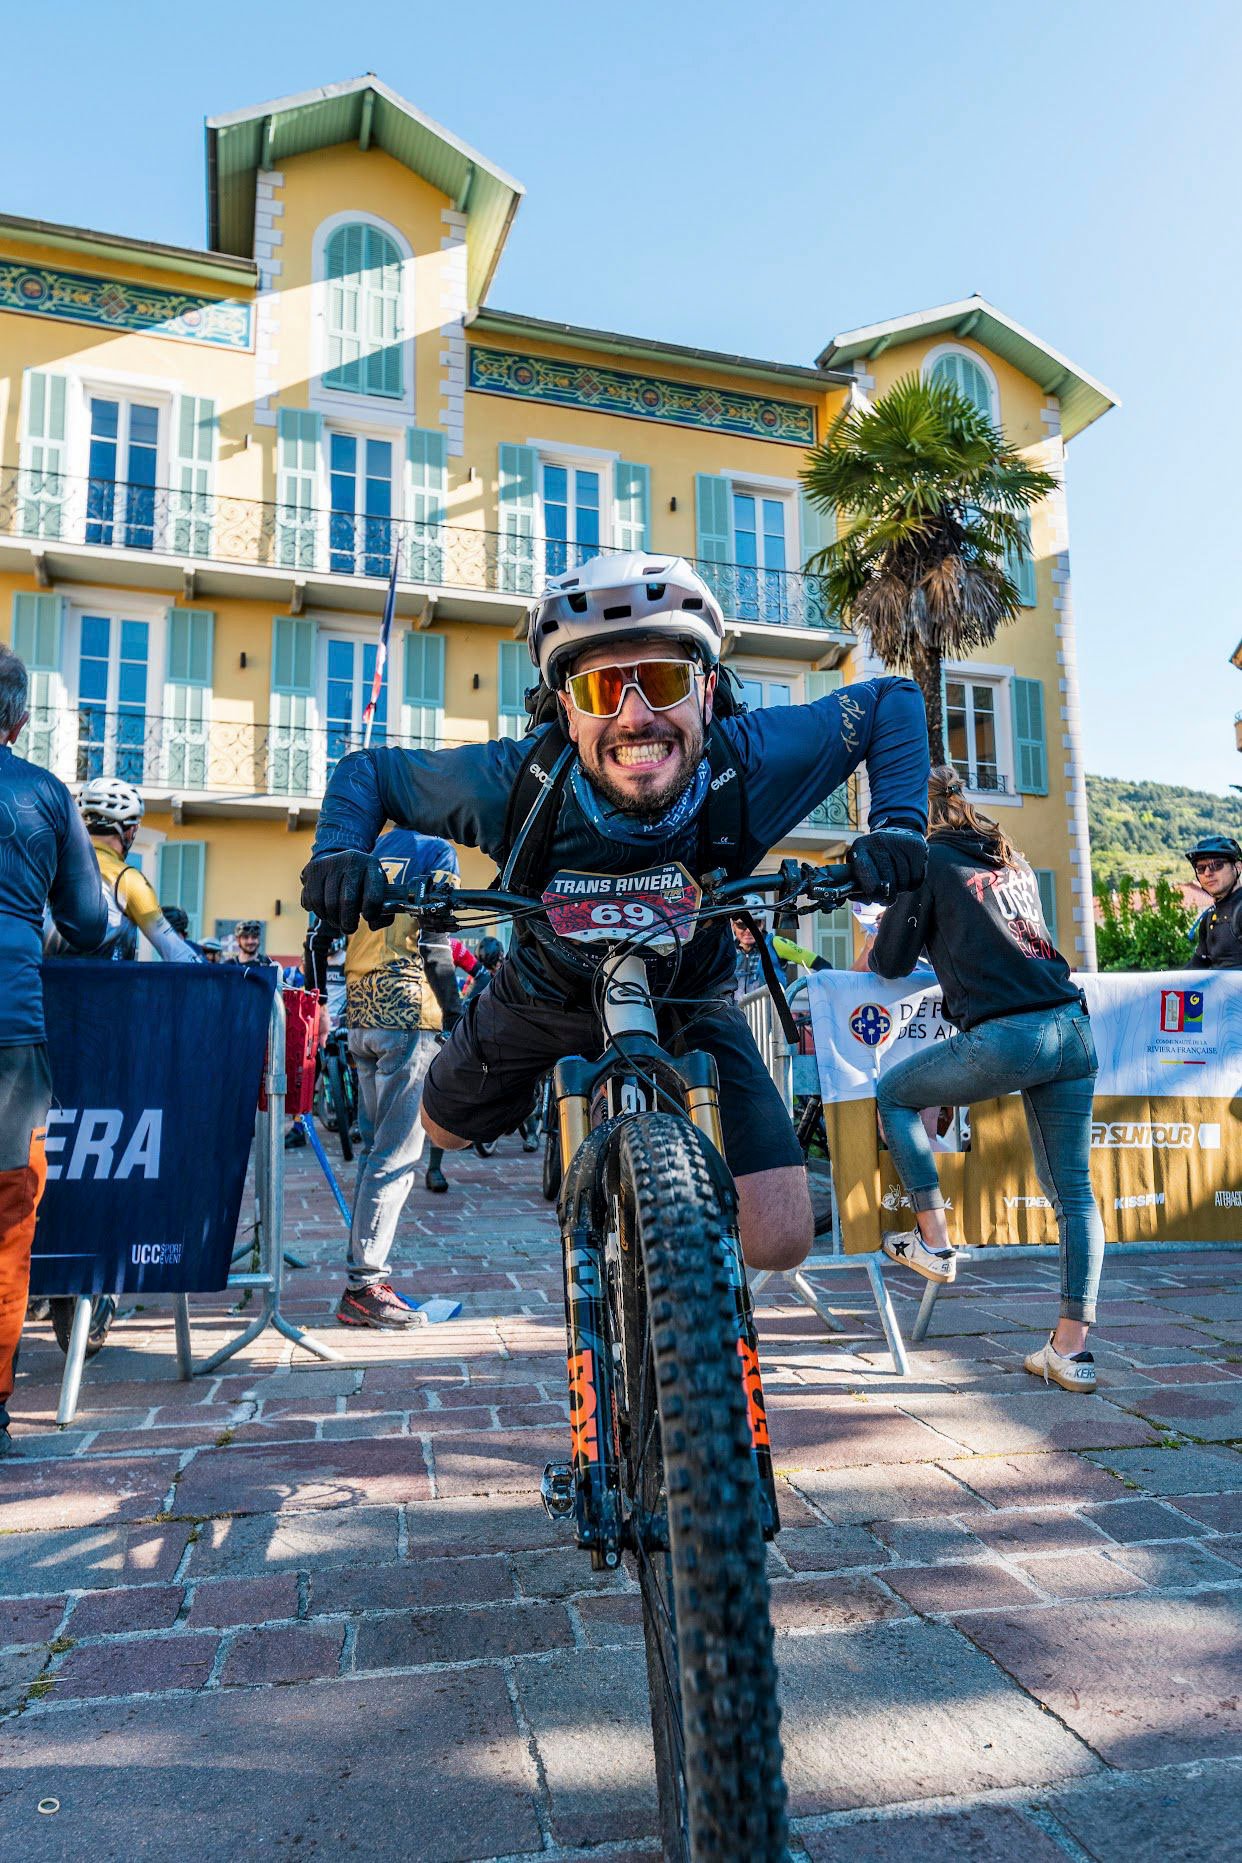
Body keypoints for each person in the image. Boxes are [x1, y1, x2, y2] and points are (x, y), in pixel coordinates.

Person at [301, 552, 929, 1273]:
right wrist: (340, 852)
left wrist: (900, 827)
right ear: (567, 711)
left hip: (690, 995)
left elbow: (892, 701)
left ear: (707, 689)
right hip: (545, 992)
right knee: (441, 1125)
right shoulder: (514, 782)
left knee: (781, 1240)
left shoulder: (748, 763)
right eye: (601, 689)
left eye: (664, 680)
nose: (636, 716)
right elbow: (368, 772)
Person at [868, 765, 1104, 1392]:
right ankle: (1070, 1350)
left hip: (1010, 1034)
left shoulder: (925, 860)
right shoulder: (1009, 856)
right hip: (1072, 1025)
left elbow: (888, 960)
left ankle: (935, 1242)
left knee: (893, 1093)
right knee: (1075, 1197)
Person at [0, 646, 107, 1457]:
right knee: (7, 1221)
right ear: (22, 718)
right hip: (11, 1028)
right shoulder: (43, 794)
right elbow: (91, 923)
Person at [305, 828, 464, 1326]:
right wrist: (457, 1016)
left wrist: (317, 1003)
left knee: (375, 1153)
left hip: (361, 1015)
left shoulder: (358, 852)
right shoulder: (435, 851)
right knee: (395, 1156)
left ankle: (361, 1276)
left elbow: (315, 939)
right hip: (409, 1010)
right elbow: (437, 948)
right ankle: (365, 1284)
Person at [42, 779, 198, 964]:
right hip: (107, 989)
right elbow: (176, 951)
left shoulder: (49, 867)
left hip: (42, 988)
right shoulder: (128, 879)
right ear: (130, 831)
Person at [1186, 835, 1242, 969]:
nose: (1207, 873)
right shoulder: (1208, 918)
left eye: (1217, 865)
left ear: (1238, 867)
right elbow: (1199, 963)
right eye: (1200, 868)